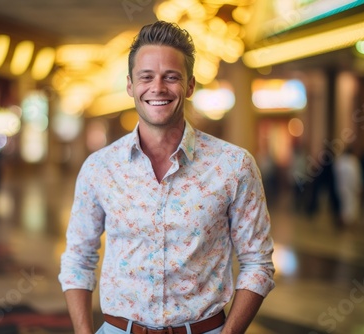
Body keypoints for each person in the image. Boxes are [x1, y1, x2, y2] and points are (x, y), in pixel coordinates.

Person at [59, 21, 275, 334]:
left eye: (171, 77)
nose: (158, 88)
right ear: (130, 85)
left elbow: (258, 263)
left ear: (190, 86)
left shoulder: (234, 165)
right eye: (146, 77)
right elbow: (78, 260)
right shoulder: (99, 168)